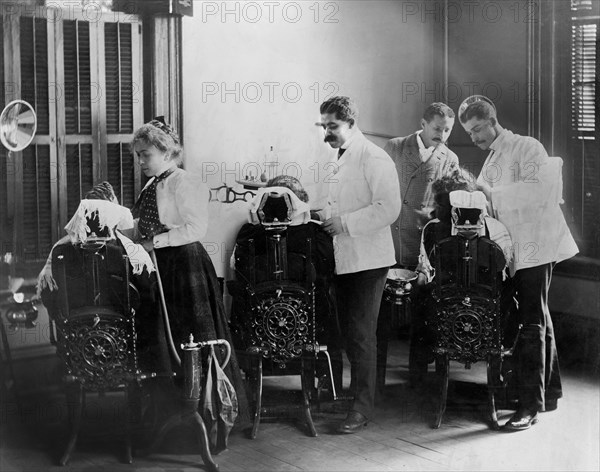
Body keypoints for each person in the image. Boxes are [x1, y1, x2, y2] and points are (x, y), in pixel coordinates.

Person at [459, 95, 578, 431]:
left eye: (478, 129)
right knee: (537, 316)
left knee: (532, 323)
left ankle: (529, 407)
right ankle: (547, 394)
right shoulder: (492, 159)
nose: (475, 137)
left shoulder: (528, 147)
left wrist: (490, 196)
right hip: (517, 249)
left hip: (537, 245)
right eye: (469, 133)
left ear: (493, 119)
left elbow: (538, 193)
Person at [129, 117, 250, 433]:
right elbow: (144, 225)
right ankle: (170, 413)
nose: (141, 161)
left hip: (186, 265)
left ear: (166, 152)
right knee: (166, 338)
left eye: (146, 155)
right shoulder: (151, 184)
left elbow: (196, 228)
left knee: (195, 339)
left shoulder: (185, 182)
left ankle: (207, 415)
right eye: (138, 155)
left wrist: (154, 242)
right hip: (162, 267)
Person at [314, 96, 401, 433]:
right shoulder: (338, 157)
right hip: (342, 258)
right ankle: (346, 396)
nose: (326, 133)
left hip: (368, 259)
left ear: (351, 123)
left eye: (332, 126)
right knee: (344, 333)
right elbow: (331, 203)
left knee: (362, 335)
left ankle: (362, 408)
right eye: (323, 126)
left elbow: (388, 208)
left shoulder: (374, 157)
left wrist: (345, 223)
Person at [230, 175, 342, 392]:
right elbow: (326, 271)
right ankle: (328, 380)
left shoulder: (248, 232)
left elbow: (237, 269)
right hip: (305, 318)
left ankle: (244, 376)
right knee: (323, 298)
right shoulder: (317, 232)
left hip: (262, 319)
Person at [384, 102, 459, 269]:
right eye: (437, 129)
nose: (442, 135)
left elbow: (448, 206)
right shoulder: (395, 147)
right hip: (392, 235)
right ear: (423, 124)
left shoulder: (450, 159)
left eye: (447, 130)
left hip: (424, 238)